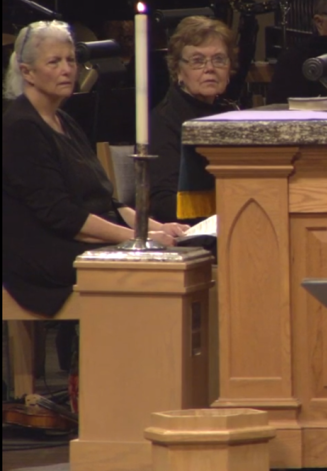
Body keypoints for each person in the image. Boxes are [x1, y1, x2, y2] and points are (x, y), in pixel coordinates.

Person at [2, 20, 187, 318]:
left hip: (72, 238)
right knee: (149, 269)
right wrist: (136, 240)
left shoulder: (65, 121)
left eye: (71, 59)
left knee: (176, 256)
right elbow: (63, 216)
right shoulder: (21, 127)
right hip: (43, 253)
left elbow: (106, 202)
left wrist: (154, 227)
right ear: (27, 72)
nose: (67, 69)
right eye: (54, 61)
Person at [149, 16, 238, 224]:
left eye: (218, 59)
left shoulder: (229, 112)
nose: (210, 68)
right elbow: (164, 202)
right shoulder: (163, 120)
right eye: (198, 61)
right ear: (178, 70)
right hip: (189, 229)